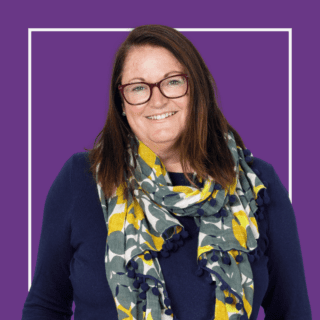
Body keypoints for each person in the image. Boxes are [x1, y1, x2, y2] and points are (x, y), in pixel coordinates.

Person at [22, 25, 312, 320]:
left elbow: (293, 312)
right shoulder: (81, 179)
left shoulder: (256, 183)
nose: (157, 100)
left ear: (196, 88)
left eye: (172, 82)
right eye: (138, 87)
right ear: (122, 103)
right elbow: (45, 306)